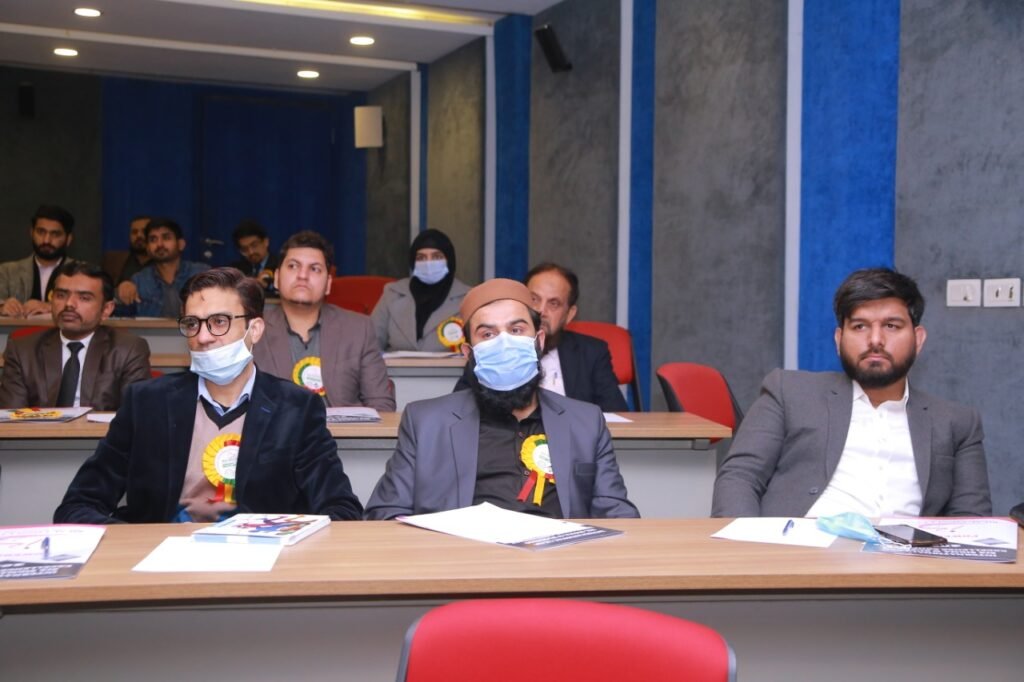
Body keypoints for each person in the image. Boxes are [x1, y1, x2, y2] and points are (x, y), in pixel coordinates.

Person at [54, 267, 363, 524]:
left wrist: (285, 541)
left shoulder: (296, 408)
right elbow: (78, 505)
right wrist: (137, 544)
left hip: (260, 560)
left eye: (219, 322)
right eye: (192, 323)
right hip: (163, 559)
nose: (202, 337)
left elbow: (342, 509)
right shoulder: (146, 402)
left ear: (255, 330)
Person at [712, 267, 991, 518]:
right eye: (860, 326)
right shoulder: (789, 392)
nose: (875, 340)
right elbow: (740, 478)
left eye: (891, 326)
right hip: (800, 550)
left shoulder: (957, 422)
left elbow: (971, 520)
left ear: (918, 340)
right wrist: (748, 548)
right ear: (839, 339)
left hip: (904, 556)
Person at [365, 278, 638, 520]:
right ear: (468, 353)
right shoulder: (426, 423)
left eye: (516, 330)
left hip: (558, 557)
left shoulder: (586, 422)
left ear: (539, 341)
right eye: (488, 334)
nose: (504, 343)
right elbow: (384, 514)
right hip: (463, 555)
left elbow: (619, 515)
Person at [453, 262, 627, 412]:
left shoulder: (591, 353)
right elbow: (459, 410)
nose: (541, 311)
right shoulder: (494, 348)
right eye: (534, 299)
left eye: (554, 303)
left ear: (569, 314)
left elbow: (617, 413)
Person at [253, 230, 394, 410]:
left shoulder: (359, 328)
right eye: (293, 266)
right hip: (275, 428)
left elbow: (381, 404)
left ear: (328, 284)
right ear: (277, 278)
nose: (303, 275)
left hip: (344, 428)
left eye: (314, 269)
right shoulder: (252, 329)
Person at [0, 261, 151, 410]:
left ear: (106, 309)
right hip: (38, 427)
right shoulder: (22, 350)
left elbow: (135, 415)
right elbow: (11, 417)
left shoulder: (128, 350)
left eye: (84, 298)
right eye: (61, 295)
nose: (69, 304)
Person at [371, 228, 470, 352]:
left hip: (449, 366)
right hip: (395, 365)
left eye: (437, 257)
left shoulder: (468, 298)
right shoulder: (392, 293)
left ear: (449, 260)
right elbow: (371, 344)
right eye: (421, 258)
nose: (428, 263)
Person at [116, 218, 210, 317]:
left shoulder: (201, 273)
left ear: (181, 244)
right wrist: (120, 292)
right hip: (151, 328)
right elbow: (121, 316)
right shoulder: (140, 280)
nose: (159, 244)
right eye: (153, 239)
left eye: (166, 238)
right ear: (148, 248)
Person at [0, 204, 76, 317]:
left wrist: (50, 307)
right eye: (41, 232)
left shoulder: (83, 273)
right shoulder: (7, 271)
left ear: (68, 239)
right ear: (31, 233)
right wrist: (2, 306)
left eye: (55, 234)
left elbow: (98, 306)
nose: (46, 240)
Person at [229, 219, 280, 293]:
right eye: (244, 249)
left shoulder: (280, 265)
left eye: (254, 245)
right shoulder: (236, 271)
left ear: (266, 242)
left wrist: (268, 285)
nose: (251, 252)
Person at [116, 215, 152, 284]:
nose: (139, 236)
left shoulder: (162, 263)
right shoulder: (121, 261)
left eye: (144, 231)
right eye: (134, 232)